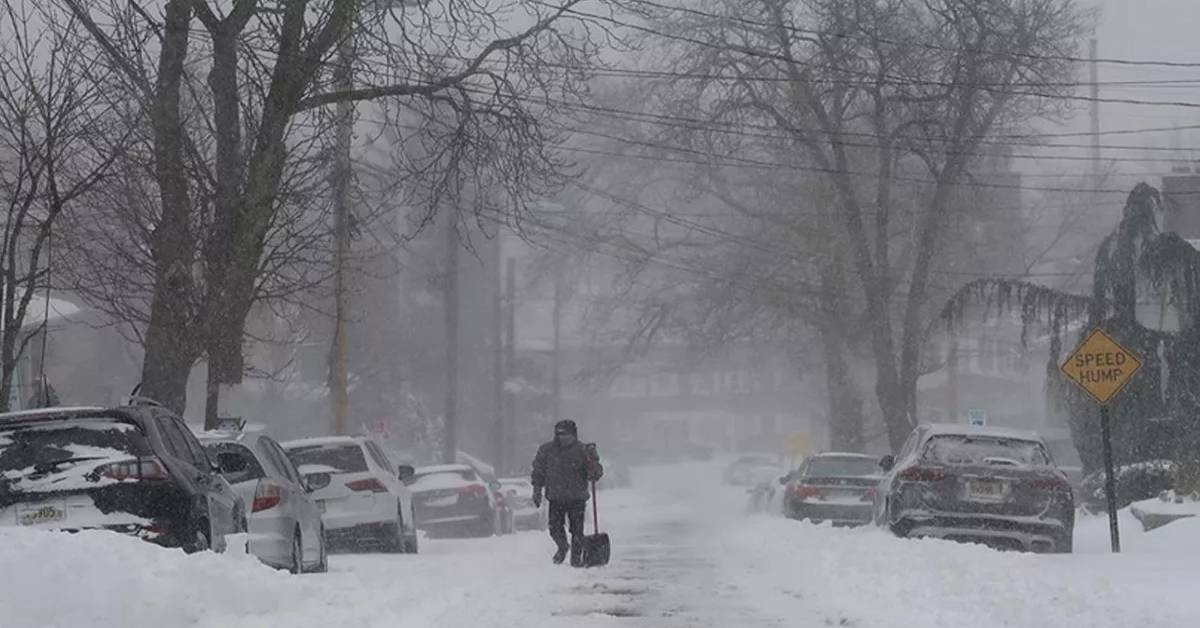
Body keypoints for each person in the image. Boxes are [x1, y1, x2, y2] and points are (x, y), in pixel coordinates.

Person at [531, 419, 603, 566]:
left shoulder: (583, 450)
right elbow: (538, 472)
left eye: (566, 434)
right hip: (555, 498)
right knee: (554, 528)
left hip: (577, 498)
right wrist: (537, 490)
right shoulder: (547, 450)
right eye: (559, 434)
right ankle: (563, 546)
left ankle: (576, 560)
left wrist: (593, 463)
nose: (562, 437)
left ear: (573, 435)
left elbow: (595, 474)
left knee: (577, 531)